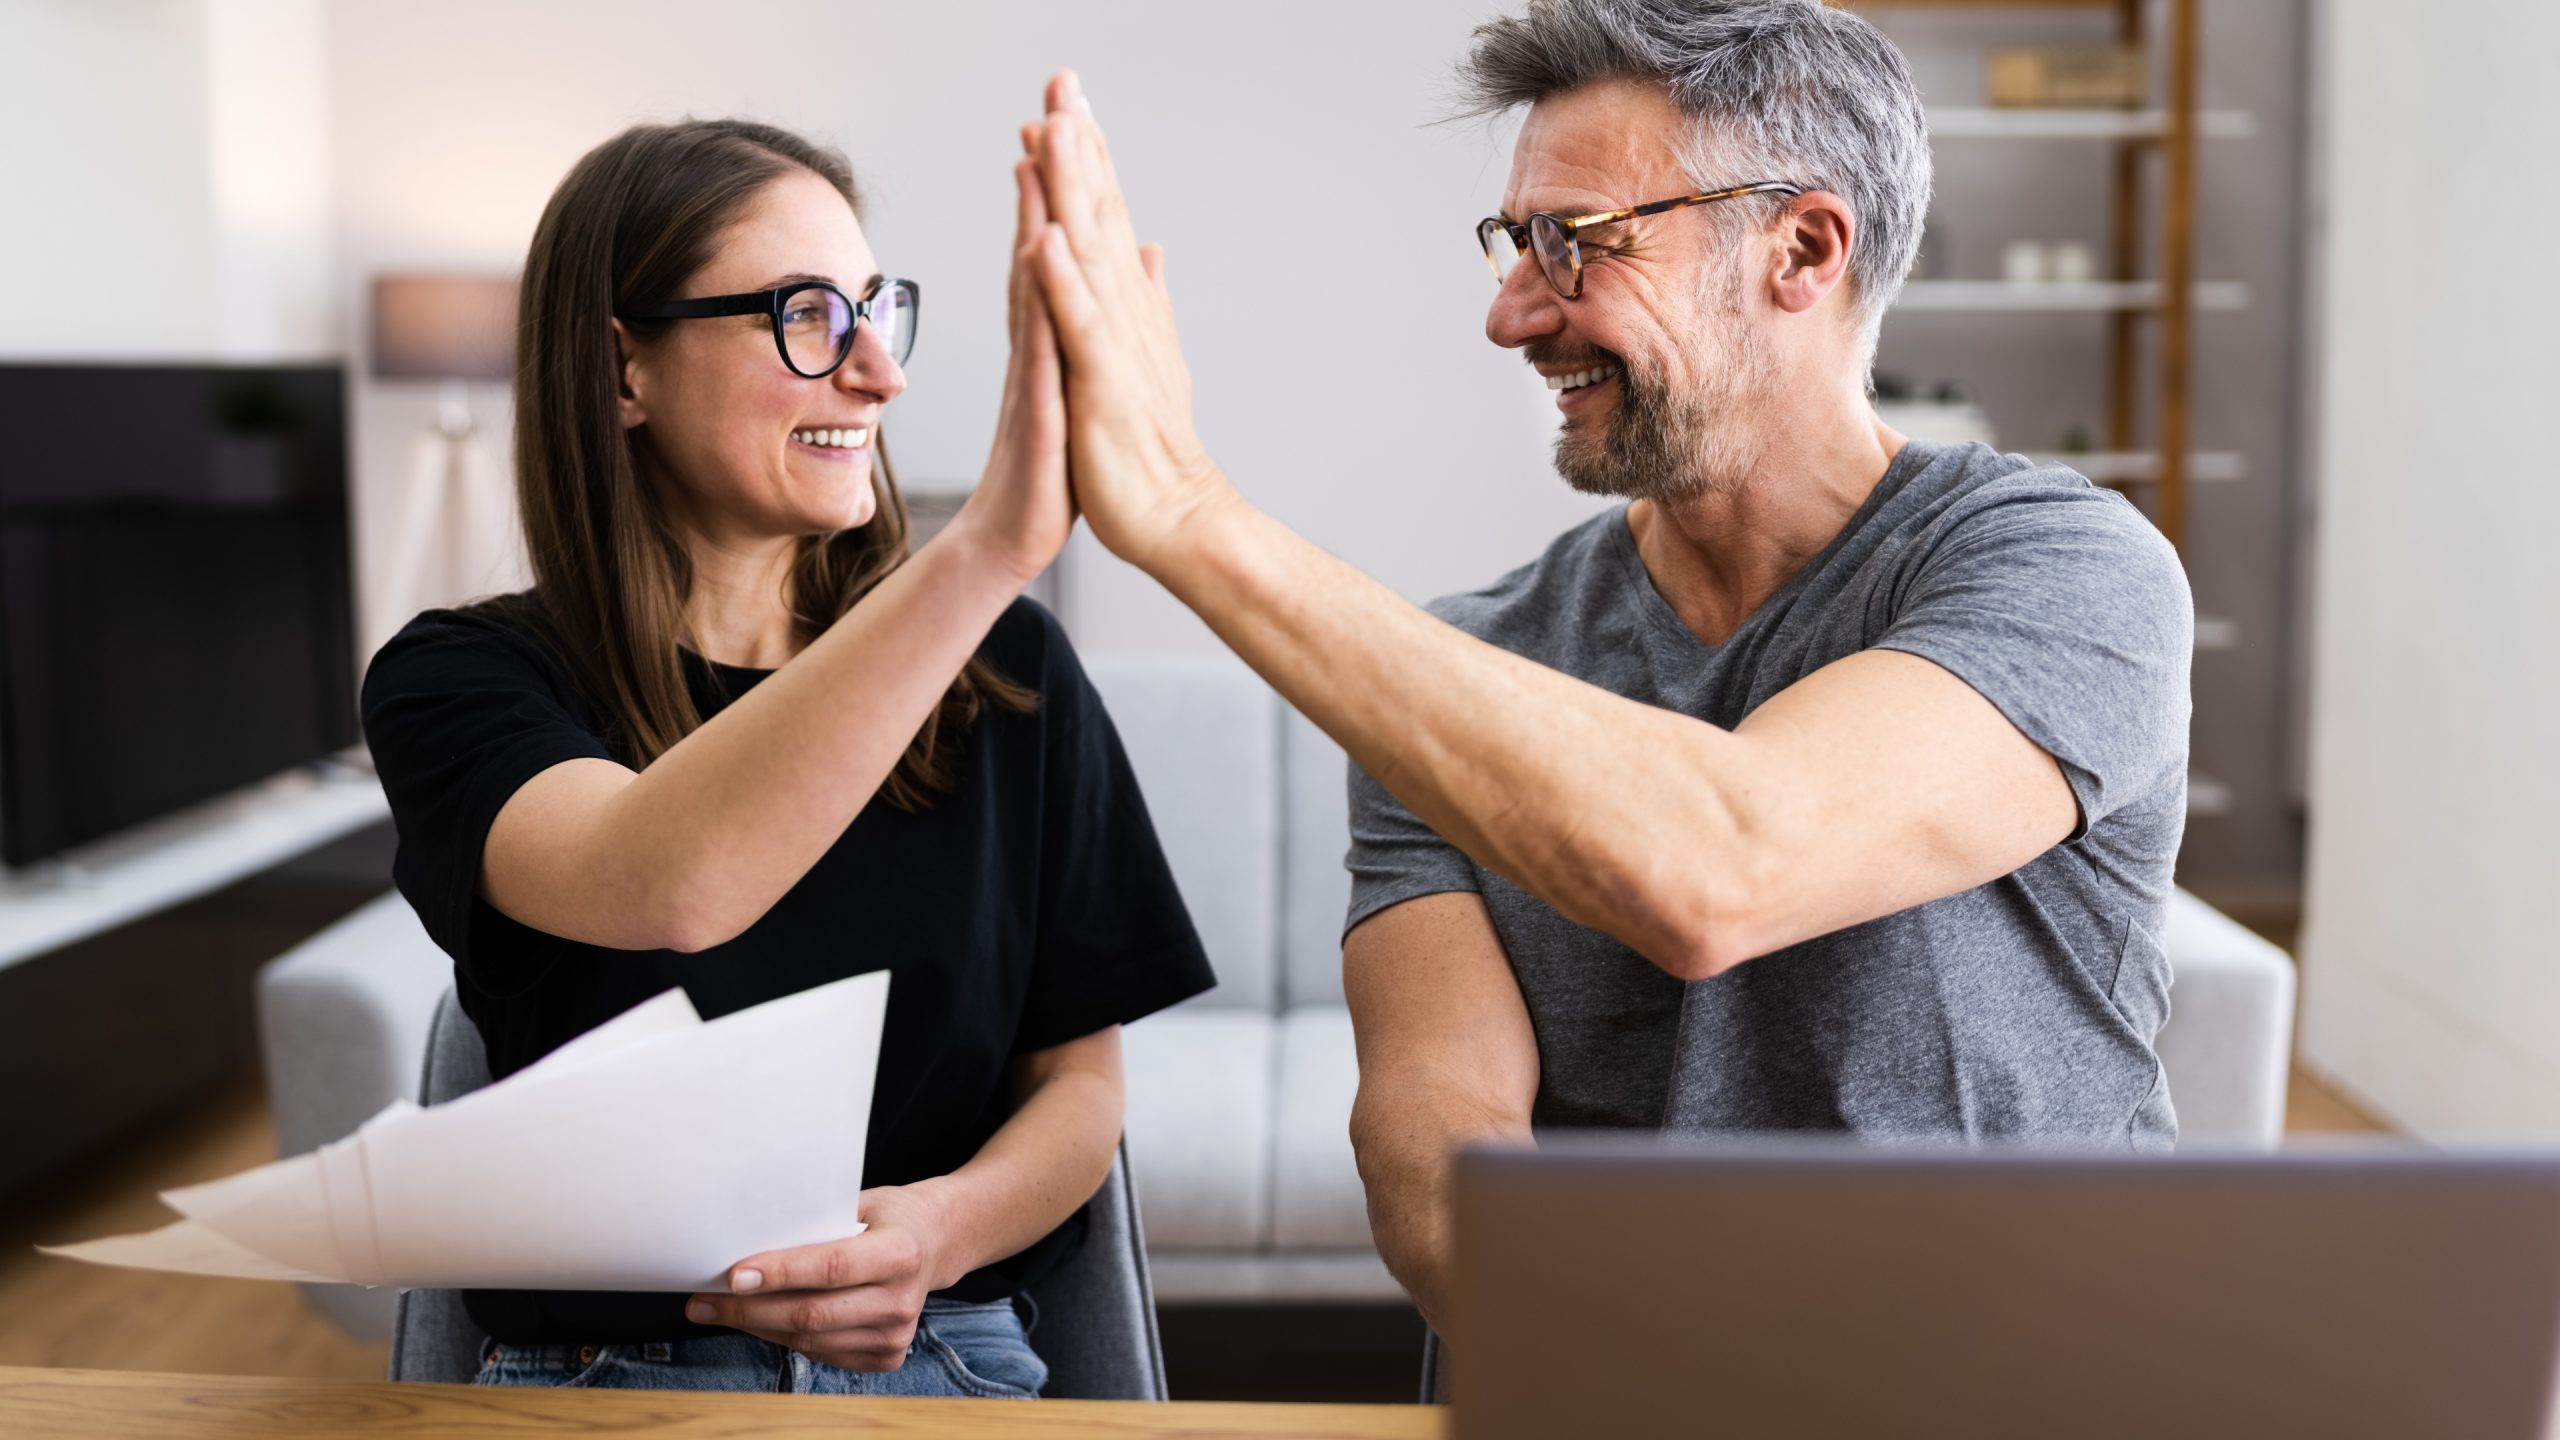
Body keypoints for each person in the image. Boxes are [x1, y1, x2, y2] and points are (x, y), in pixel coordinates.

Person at [1014, 0, 2190, 1336]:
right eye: (1517, 244)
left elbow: (1725, 865)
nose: (1513, 316)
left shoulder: (2066, 572)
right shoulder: (1464, 673)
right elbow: (1435, 1130)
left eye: (1574, 243)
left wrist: (1190, 516)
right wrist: (1612, 1371)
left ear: (1800, 249)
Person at [360, 117, 1214, 1397]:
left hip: (947, 1354)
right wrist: (987, 544)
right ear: (621, 370)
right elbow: (664, 882)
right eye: (806, 315)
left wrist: (937, 1234)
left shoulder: (1009, 674)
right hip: (609, 1380)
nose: (877, 373)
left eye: (876, 309)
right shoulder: (460, 682)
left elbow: (1081, 1091)